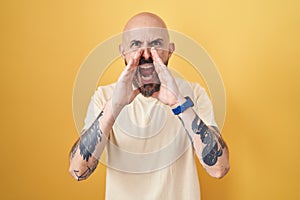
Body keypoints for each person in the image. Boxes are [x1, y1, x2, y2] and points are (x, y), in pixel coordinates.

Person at [69, 12, 230, 199]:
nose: (145, 54)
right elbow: (77, 171)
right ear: (123, 51)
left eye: (155, 44)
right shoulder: (104, 97)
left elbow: (219, 169)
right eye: (136, 44)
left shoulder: (192, 95)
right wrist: (114, 107)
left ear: (170, 50)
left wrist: (179, 103)